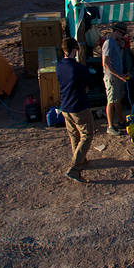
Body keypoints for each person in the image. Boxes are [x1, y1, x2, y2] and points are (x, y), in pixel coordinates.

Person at [56, 37, 95, 183]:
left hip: (65, 107)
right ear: (74, 50)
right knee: (87, 135)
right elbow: (89, 82)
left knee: (74, 135)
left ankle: (81, 159)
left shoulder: (59, 66)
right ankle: (75, 168)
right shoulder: (79, 68)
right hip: (79, 106)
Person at [101, 22, 129, 135]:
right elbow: (106, 64)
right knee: (111, 101)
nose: (123, 37)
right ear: (117, 32)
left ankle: (121, 121)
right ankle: (110, 126)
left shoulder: (115, 44)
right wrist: (119, 76)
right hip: (112, 77)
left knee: (117, 100)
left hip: (118, 76)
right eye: (122, 34)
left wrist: (122, 46)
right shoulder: (108, 43)